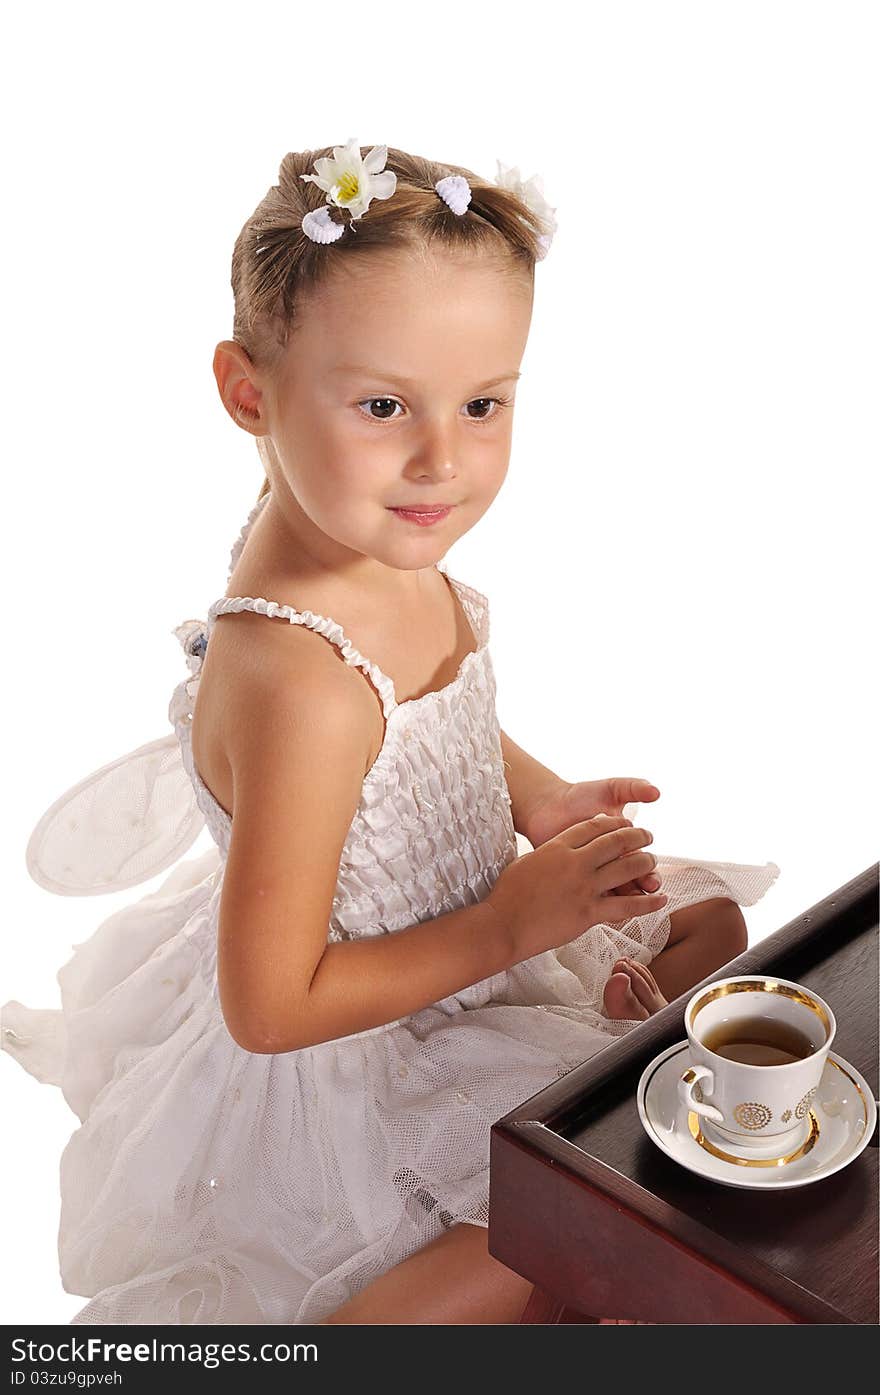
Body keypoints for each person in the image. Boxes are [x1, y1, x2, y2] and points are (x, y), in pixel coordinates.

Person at [1, 139, 780, 1326]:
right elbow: (273, 1007)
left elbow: (422, 714)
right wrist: (513, 919)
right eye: (383, 406)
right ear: (248, 391)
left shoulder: (348, 525)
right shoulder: (299, 680)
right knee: (569, 1216)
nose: (442, 460)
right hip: (369, 1037)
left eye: (483, 404)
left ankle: (590, 1088)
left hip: (477, 945)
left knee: (710, 918)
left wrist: (536, 800)